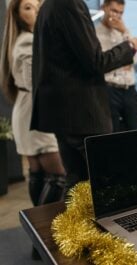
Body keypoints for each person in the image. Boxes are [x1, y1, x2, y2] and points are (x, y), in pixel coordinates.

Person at [30, 0, 137, 193]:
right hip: (82, 113)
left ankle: (67, 224)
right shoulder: (70, 5)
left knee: (78, 185)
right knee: (105, 184)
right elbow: (96, 61)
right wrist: (129, 46)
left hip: (66, 113)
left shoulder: (49, 6)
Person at [0, 0, 66, 206]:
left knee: (37, 171)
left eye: (37, 6)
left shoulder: (21, 39)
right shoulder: (28, 41)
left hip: (27, 109)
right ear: (18, 15)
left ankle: (35, 227)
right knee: (58, 176)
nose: (36, 11)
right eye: (28, 7)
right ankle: (41, 227)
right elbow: (35, 83)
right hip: (36, 111)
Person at [96, 0, 137, 132]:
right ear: (103, 7)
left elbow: (136, 59)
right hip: (109, 90)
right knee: (112, 133)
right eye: (114, 11)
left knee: (136, 132)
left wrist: (125, 32)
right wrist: (124, 60)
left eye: (121, 13)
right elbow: (102, 63)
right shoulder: (95, 33)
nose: (117, 16)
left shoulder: (124, 32)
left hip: (129, 90)